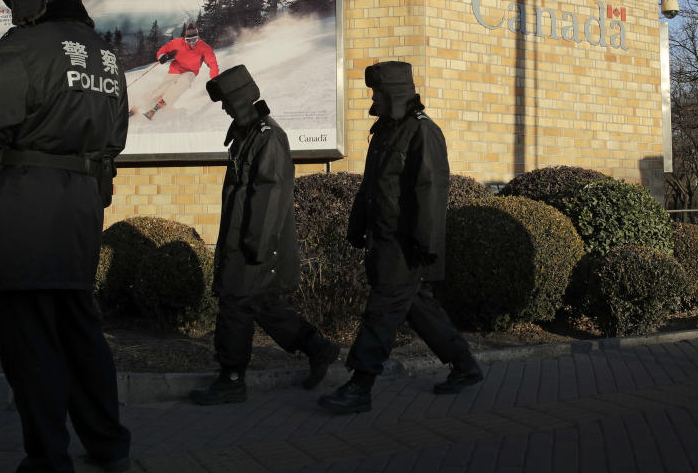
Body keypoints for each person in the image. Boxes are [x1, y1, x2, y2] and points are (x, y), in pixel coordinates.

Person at [0, 0, 131, 472]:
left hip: (21, 215)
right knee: (80, 334)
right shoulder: (104, 57)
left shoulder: (22, 49)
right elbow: (114, 141)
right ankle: (109, 442)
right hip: (80, 217)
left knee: (30, 345)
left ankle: (48, 458)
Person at [318, 61, 483, 414]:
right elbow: (372, 186)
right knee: (418, 308)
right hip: (383, 239)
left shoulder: (422, 132)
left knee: (382, 311)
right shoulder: (384, 133)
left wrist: (424, 244)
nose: (373, 97)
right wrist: (357, 224)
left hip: (405, 244)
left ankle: (360, 386)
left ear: (393, 92)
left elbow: (430, 191)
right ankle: (466, 366)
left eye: (377, 91)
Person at [190, 64, 340, 405]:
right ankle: (317, 347)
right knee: (259, 304)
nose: (225, 108)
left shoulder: (267, 137)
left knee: (235, 304)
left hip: (252, 244)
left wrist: (255, 248)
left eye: (227, 101)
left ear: (241, 99)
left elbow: (271, 194)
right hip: (243, 241)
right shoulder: (248, 136)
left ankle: (231, 379)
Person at [139, 22, 219, 119]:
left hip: (191, 72)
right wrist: (162, 56)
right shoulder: (177, 43)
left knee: (184, 81)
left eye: (194, 39)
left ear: (198, 37)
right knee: (162, 89)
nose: (192, 43)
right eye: (189, 40)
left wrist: (215, 80)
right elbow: (163, 49)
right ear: (185, 39)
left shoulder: (204, 48)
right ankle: (144, 103)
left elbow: (213, 64)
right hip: (176, 69)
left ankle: (163, 104)